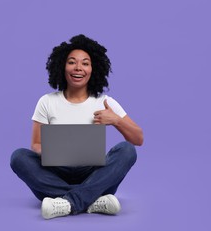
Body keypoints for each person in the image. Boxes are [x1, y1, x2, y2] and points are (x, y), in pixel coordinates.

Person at [10, 34, 143, 219]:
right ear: (62, 67)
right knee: (19, 157)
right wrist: (52, 152)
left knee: (127, 150)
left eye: (85, 63)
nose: (78, 68)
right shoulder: (47, 102)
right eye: (72, 62)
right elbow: (35, 144)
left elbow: (138, 139)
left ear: (93, 69)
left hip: (94, 174)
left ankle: (67, 203)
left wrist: (116, 120)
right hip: (56, 174)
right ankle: (92, 200)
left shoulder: (105, 102)